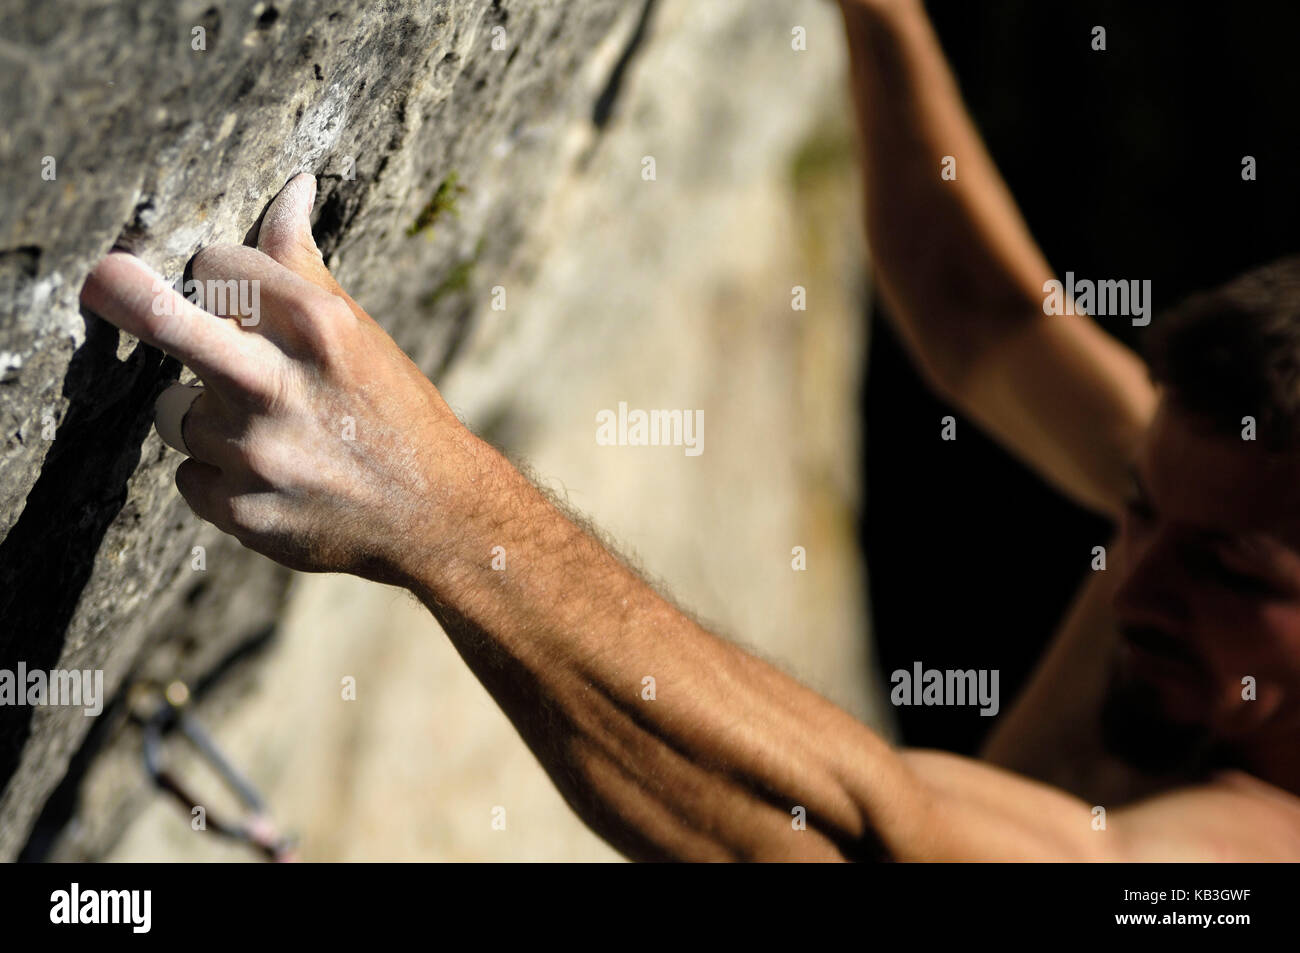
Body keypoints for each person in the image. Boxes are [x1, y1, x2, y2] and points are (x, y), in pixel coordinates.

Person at [77, 0, 1300, 860]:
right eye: (1133, 502)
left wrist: (431, 498)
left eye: (1228, 568)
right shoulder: (1211, 501)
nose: (1135, 572)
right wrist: (880, 13)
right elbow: (980, 319)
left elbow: (877, 836)